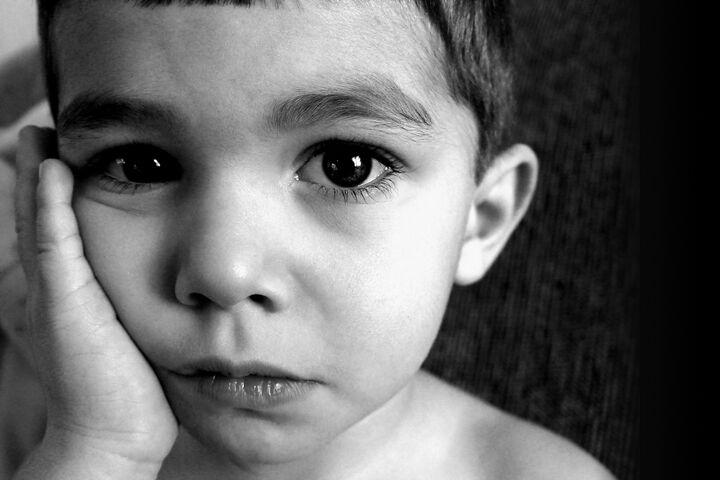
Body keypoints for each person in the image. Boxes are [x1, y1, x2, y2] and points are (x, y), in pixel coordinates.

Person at [2, 0, 616, 478]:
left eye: (347, 166)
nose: (226, 273)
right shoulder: (44, 429)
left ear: (481, 220)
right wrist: (99, 450)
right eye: (141, 165)